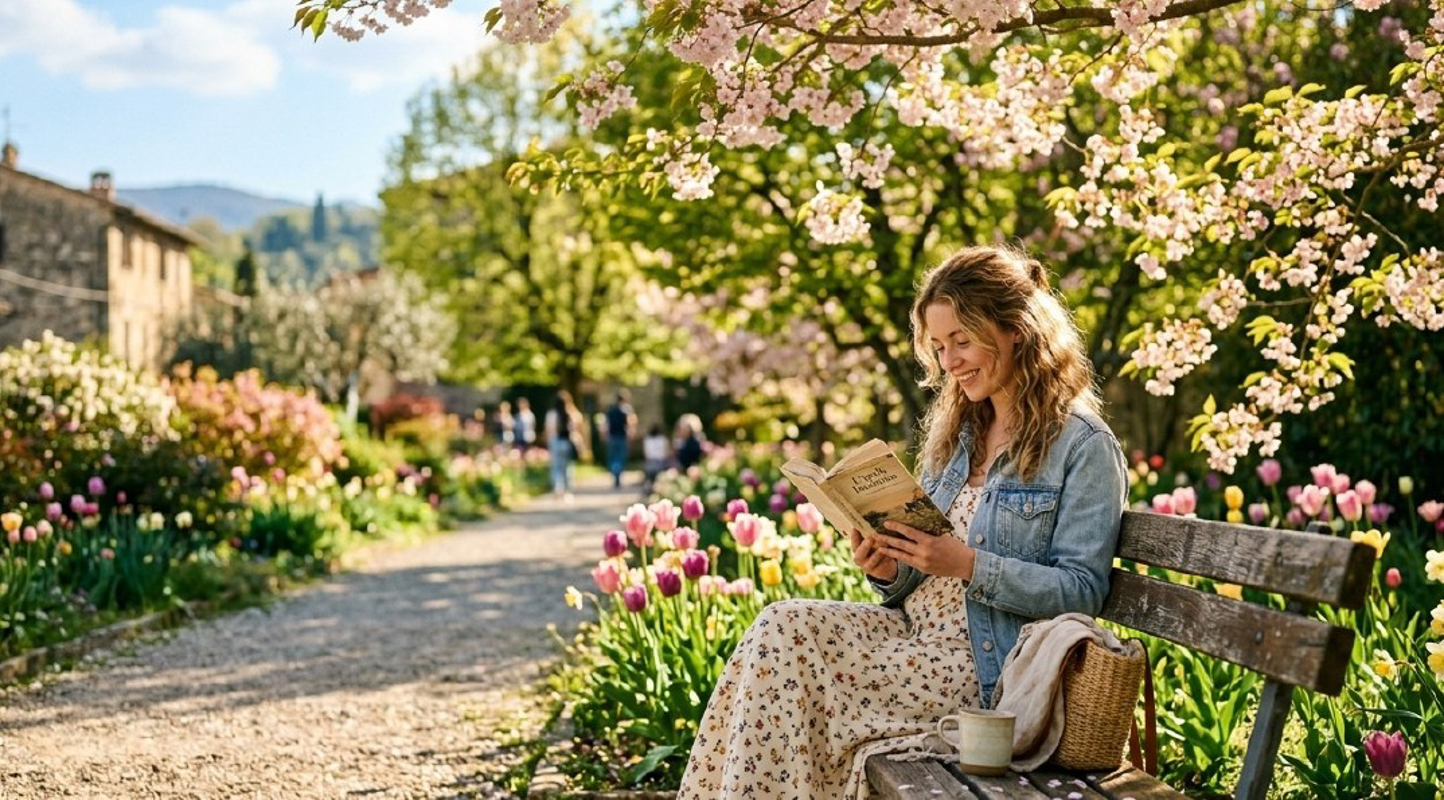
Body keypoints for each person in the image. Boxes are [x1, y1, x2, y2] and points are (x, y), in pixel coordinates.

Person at [678, 245, 1128, 798]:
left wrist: (969, 564)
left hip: (984, 670)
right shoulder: (957, 437)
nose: (950, 361)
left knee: (791, 664)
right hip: (910, 640)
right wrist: (889, 567)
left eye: (962, 341)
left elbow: (1082, 592)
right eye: (939, 347)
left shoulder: (1082, 446)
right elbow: (919, 576)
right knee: (781, 625)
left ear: (1016, 331)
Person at [544, 390, 584, 499]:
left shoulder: (552, 414)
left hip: (556, 442)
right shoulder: (571, 413)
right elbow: (579, 421)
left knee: (556, 467)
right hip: (567, 442)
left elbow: (549, 430)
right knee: (567, 467)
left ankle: (558, 488)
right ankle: (567, 490)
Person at [604, 389, 636, 489]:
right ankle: (618, 473)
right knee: (621, 457)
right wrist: (631, 434)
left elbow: (606, 425)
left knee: (613, 457)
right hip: (622, 436)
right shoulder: (627, 409)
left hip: (612, 436)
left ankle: (615, 473)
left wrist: (605, 435)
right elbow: (631, 423)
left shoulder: (610, 410)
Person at [641, 424, 670, 494]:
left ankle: (649, 489)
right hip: (660, 463)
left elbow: (646, 454)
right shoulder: (663, 439)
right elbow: (666, 452)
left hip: (650, 463)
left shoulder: (647, 440)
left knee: (649, 478)